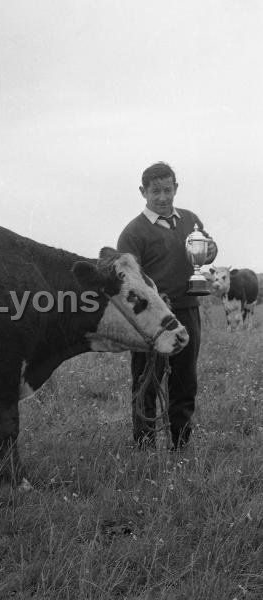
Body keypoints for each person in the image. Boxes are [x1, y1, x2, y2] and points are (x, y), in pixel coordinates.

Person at [117, 162, 217, 450]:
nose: (163, 197)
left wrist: (211, 250)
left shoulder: (190, 221)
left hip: (187, 311)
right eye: (155, 191)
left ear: (176, 188)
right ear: (143, 191)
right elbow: (127, 282)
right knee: (147, 382)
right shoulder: (133, 233)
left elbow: (206, 252)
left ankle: (181, 445)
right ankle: (145, 448)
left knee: (186, 381)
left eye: (168, 190)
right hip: (150, 319)